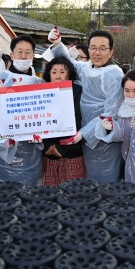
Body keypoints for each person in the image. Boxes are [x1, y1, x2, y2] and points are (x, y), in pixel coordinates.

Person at [46, 28, 124, 184]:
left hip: (105, 141)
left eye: (103, 48)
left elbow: (110, 114)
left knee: (106, 182)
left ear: (111, 52)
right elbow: (69, 63)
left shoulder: (115, 75)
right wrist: (58, 43)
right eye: (93, 48)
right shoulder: (87, 68)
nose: (97, 52)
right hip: (85, 139)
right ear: (88, 49)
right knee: (88, 183)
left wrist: (83, 134)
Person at [0, 35, 44, 187]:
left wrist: (44, 133)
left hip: (32, 155)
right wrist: (2, 139)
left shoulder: (41, 84)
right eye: (19, 52)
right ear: (11, 55)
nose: (23, 56)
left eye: (27, 52)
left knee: (29, 200)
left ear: (33, 55)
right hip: (2, 157)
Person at [42, 56, 85, 186]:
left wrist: (64, 148)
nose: (58, 76)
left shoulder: (78, 92)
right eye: (54, 72)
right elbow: (37, 122)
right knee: (50, 195)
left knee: (72, 195)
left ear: (69, 75)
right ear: (48, 74)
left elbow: (80, 121)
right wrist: (46, 145)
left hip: (73, 153)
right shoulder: (41, 93)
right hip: (48, 153)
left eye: (62, 72)